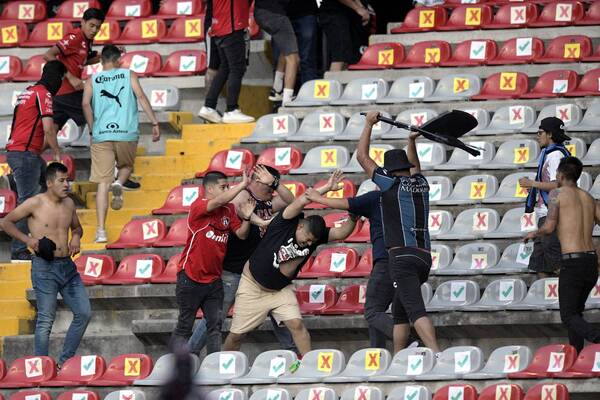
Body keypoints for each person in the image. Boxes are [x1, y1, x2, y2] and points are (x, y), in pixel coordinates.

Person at [222, 183, 357, 356]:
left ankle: (309, 366)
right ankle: (223, 365)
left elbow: (341, 233)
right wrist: (324, 188)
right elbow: (301, 199)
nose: (309, 244)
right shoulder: (284, 223)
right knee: (237, 336)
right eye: (307, 240)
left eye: (311, 242)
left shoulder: (316, 235)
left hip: (280, 290)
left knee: (297, 325)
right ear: (300, 226)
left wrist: (353, 217)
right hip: (252, 287)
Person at [357, 110, 440, 354]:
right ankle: (400, 357)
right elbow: (416, 169)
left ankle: (437, 354)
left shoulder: (390, 184)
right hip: (424, 256)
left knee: (414, 310)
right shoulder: (421, 184)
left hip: (401, 256)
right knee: (400, 312)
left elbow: (362, 157)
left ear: (390, 171)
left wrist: (368, 124)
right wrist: (411, 141)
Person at [0, 163, 90, 368]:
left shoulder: (69, 204)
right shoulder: (35, 203)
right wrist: (28, 240)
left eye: (67, 180)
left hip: (67, 266)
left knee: (84, 313)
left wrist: (76, 237)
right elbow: (5, 222)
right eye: (61, 180)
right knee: (45, 320)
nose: (66, 184)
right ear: (49, 183)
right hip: (44, 267)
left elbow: (77, 228)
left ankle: (64, 363)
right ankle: (42, 367)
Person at [307, 187, 418, 348]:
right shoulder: (407, 197)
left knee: (372, 311)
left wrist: (318, 198)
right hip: (409, 260)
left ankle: (411, 343)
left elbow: (345, 203)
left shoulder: (376, 197)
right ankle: (377, 355)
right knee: (378, 311)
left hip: (387, 261)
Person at [170, 171, 256, 354]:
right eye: (223, 187)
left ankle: (213, 366)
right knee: (185, 326)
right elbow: (217, 202)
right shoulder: (198, 206)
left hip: (213, 280)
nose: (226, 190)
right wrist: (241, 185)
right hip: (191, 277)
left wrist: (247, 218)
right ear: (209, 189)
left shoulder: (228, 210)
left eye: (227, 187)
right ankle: (175, 369)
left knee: (215, 327)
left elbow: (241, 234)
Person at [82, 45, 161, 243]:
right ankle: (119, 182)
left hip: (101, 134)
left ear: (101, 61)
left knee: (102, 182)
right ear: (118, 60)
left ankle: (101, 231)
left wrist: (93, 128)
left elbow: (85, 104)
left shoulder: (92, 79)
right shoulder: (129, 74)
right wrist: (154, 122)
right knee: (126, 166)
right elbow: (141, 97)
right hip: (126, 132)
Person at [524, 157, 600, 353]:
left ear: (560, 174)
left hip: (572, 262)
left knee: (568, 315)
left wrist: (534, 232)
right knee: (576, 313)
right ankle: (576, 354)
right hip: (590, 262)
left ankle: (596, 336)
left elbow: (549, 227)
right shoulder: (588, 197)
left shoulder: (557, 194)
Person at [5, 61, 66, 262]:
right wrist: (56, 153)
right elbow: (48, 128)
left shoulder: (27, 92)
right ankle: (19, 250)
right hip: (25, 155)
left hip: (20, 152)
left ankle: (50, 229)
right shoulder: (44, 94)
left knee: (47, 187)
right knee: (28, 201)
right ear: (56, 78)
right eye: (61, 79)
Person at [519, 117, 571, 278]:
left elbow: (559, 184)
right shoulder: (547, 153)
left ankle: (567, 294)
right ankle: (547, 299)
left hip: (554, 213)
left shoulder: (556, 155)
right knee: (539, 262)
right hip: (544, 212)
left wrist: (533, 184)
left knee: (556, 262)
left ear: (550, 134)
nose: (537, 135)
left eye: (540, 132)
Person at [43, 8, 104, 131]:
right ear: (82, 22)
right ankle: (101, 150)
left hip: (60, 94)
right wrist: (71, 77)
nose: (94, 30)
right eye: (91, 25)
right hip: (68, 92)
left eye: (97, 27)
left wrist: (109, 54)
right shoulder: (75, 37)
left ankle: (34, 151)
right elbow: (48, 55)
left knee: (51, 135)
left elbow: (85, 60)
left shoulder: (87, 40)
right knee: (98, 116)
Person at [198, 0, 255, 124]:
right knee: (237, 68)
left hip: (220, 27)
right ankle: (231, 109)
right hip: (231, 27)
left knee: (225, 68)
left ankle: (209, 106)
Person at [254, 0, 299, 104]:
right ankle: (287, 101)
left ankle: (277, 90)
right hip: (275, 14)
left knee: (286, 49)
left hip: (260, 12)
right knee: (293, 59)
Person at [318, 0, 371, 71]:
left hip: (346, 15)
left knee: (346, 59)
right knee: (339, 58)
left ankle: (341, 81)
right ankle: (333, 81)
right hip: (334, 14)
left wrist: (361, 7)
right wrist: (358, 8)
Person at [287, 0, 319, 85]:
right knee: (281, 61)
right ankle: (280, 93)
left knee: (307, 59)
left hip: (306, 11)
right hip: (279, 14)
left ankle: (310, 92)